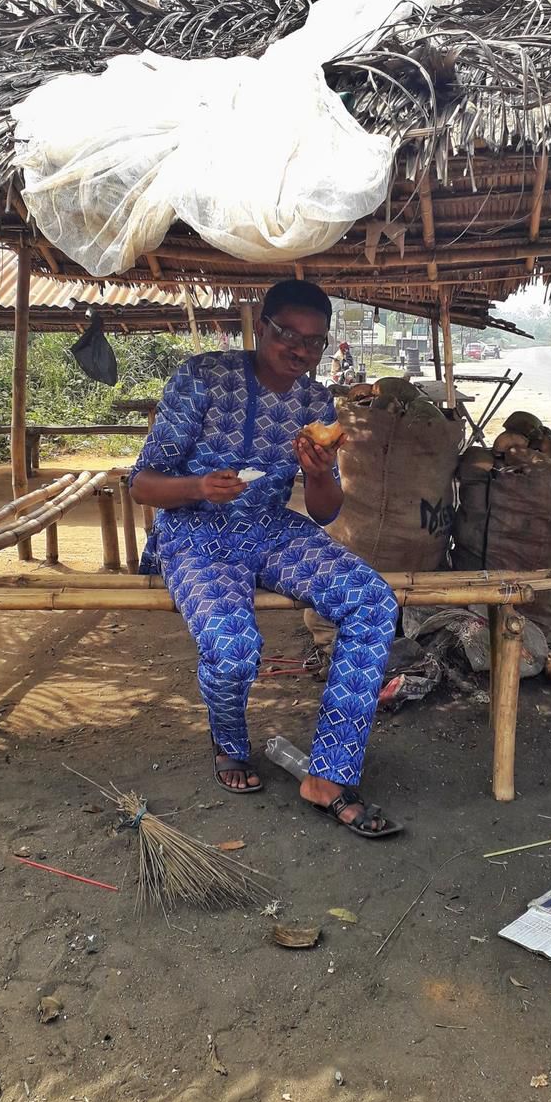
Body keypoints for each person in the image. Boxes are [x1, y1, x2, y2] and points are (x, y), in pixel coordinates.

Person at [129, 279, 401, 839]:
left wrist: (322, 473)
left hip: (271, 528)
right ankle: (230, 743)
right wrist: (200, 487)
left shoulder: (316, 403)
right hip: (193, 533)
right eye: (287, 334)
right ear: (261, 327)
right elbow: (143, 485)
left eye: (315, 341)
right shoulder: (203, 376)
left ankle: (328, 774)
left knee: (371, 600)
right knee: (233, 650)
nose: (300, 350)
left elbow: (325, 513)